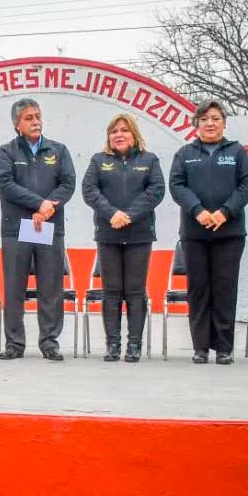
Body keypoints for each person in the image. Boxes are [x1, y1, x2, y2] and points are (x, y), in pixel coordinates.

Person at [168, 100, 248, 365]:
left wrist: (225, 211)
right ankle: (201, 347)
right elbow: (177, 185)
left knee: (224, 288)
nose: (210, 123)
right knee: (198, 289)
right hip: (195, 233)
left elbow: (247, 184)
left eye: (215, 118)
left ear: (224, 123)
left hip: (229, 233)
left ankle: (224, 347)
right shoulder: (184, 153)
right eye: (204, 119)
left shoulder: (237, 152)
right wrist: (197, 210)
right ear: (196, 124)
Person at [0, 98, 75, 362]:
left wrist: (47, 207)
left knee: (50, 286)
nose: (35, 121)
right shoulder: (6, 153)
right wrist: (38, 203)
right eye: (28, 117)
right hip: (16, 229)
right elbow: (6, 185)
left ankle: (49, 342)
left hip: (48, 226)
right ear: (17, 124)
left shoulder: (58, 150)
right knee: (14, 286)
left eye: (38, 116)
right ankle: (14, 344)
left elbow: (68, 183)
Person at [82, 113, 165, 363]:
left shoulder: (149, 160)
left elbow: (156, 190)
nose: (119, 134)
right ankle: (113, 345)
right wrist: (112, 214)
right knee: (111, 291)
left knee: (135, 291)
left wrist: (129, 215)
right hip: (108, 235)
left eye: (124, 130)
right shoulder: (99, 161)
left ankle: (134, 345)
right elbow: (90, 191)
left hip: (139, 235)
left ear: (134, 135)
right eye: (114, 131)